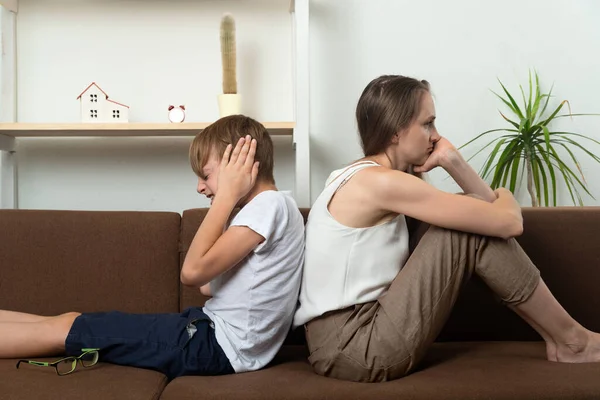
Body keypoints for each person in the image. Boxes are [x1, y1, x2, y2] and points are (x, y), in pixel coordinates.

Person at [293, 75, 600, 383]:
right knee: (459, 229)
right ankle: (573, 340)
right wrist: (503, 194)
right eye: (428, 124)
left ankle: (568, 340)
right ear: (396, 131)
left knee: (465, 216)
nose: (436, 136)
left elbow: (487, 214)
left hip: (348, 340)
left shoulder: (356, 175)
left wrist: (453, 162)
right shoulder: (378, 183)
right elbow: (509, 221)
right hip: (354, 345)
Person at [0, 115, 305, 380]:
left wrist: (225, 199)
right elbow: (209, 288)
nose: (200, 186)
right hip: (205, 333)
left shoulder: (270, 205)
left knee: (72, 329)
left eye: (206, 175)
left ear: (240, 164)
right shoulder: (271, 209)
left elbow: (193, 274)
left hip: (213, 346)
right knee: (74, 320)